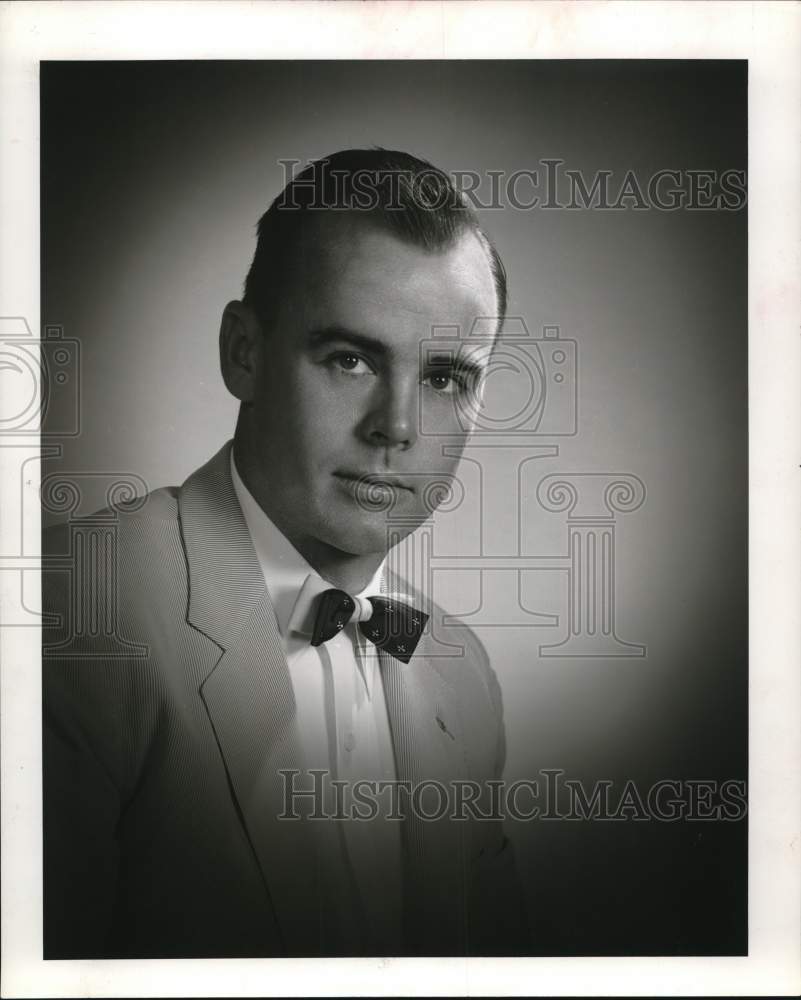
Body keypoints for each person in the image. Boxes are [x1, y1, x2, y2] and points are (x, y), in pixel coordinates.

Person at [42, 148, 530, 958]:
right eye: (351, 359)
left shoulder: (460, 668)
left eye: (444, 377)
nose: (397, 427)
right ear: (243, 352)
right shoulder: (74, 607)